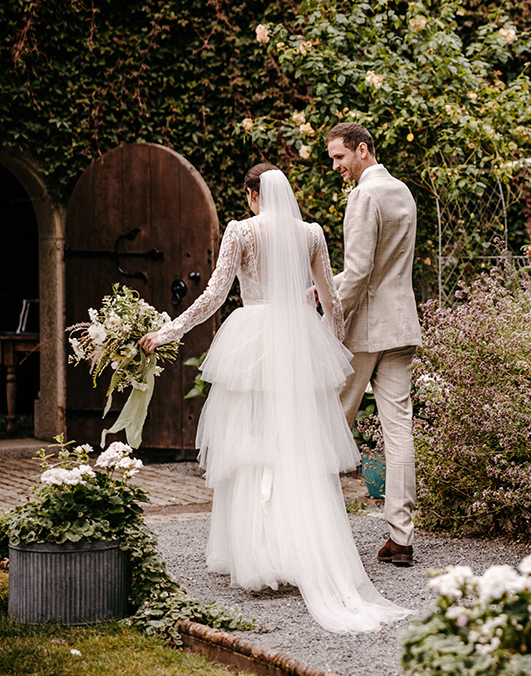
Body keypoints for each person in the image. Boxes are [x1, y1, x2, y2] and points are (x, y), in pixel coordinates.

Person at [141, 164, 410, 634]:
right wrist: (332, 351)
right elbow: (333, 301)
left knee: (251, 448)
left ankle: (259, 555)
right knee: (295, 451)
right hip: (298, 342)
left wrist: (169, 330)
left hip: (251, 342)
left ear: (251, 195)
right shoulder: (311, 234)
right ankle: (297, 549)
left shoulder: (241, 232)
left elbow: (213, 297)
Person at [324, 123, 421, 567]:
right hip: (401, 325)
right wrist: (323, 287)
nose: (336, 167)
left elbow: (361, 271)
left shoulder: (364, 196)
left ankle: (318, 527)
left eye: (339, 157)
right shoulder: (401, 191)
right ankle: (401, 538)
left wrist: (329, 320)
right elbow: (385, 268)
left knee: (331, 420)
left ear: (362, 150)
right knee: (399, 429)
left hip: (364, 330)